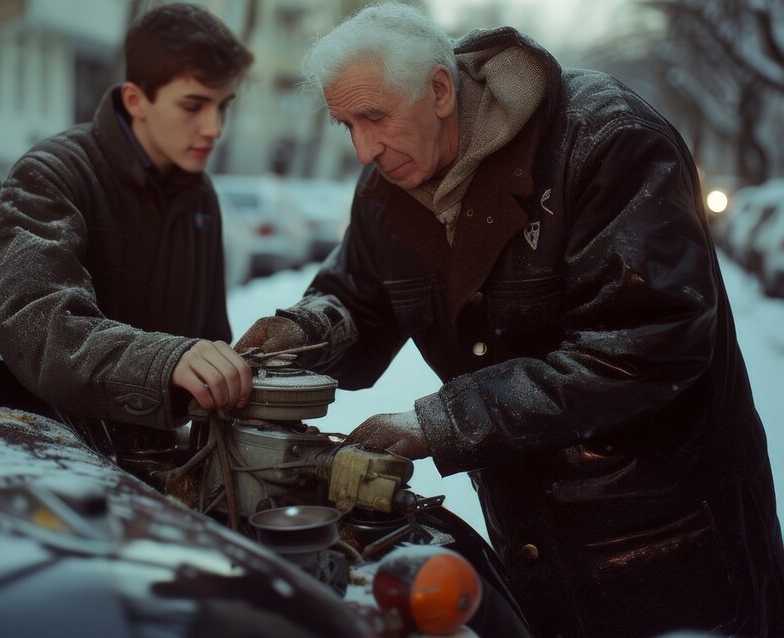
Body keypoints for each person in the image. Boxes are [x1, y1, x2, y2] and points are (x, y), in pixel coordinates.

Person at [236, 4, 784, 637]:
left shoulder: (606, 139)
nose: (365, 148)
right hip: (532, 540)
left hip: (669, 546)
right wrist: (302, 331)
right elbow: (356, 296)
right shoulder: (387, 186)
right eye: (345, 124)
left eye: (375, 117)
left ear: (440, 90)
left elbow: (644, 346)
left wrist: (441, 423)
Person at [0, 4, 254, 488]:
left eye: (225, 106)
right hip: (58, 472)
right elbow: (37, 327)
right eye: (194, 105)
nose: (214, 128)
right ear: (135, 99)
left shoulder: (201, 196)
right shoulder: (50, 173)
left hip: (169, 477)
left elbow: (212, 334)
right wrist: (169, 360)